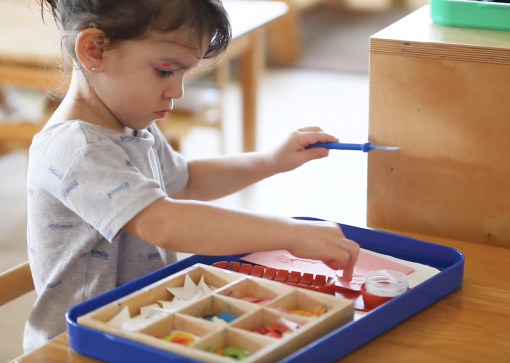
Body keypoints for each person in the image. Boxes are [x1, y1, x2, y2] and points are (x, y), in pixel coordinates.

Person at [24, 0, 360, 352]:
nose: (177, 91)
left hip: (140, 324)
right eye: (165, 71)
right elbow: (164, 223)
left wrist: (271, 161)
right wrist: (289, 232)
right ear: (94, 49)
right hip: (80, 345)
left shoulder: (134, 128)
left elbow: (187, 183)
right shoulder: (76, 148)